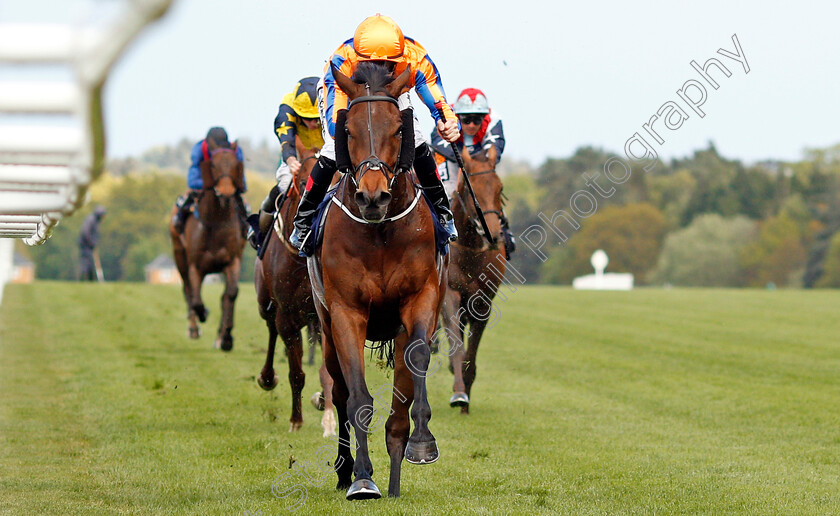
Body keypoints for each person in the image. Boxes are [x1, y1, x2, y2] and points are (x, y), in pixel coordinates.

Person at [289, 13, 461, 256]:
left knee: (419, 139)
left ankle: (443, 212)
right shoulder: (341, 62)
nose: (380, 68)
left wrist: (449, 123)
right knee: (333, 145)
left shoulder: (416, 59)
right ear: (359, 59)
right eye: (373, 64)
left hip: (392, 89)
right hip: (350, 89)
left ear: (399, 59)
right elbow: (335, 119)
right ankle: (304, 220)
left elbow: (438, 100)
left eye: (387, 64)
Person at [430, 88, 516, 258]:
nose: (471, 125)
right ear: (458, 116)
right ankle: (436, 230)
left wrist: (474, 163)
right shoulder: (446, 116)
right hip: (450, 158)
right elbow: (438, 142)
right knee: (446, 191)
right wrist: (464, 157)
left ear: (484, 117)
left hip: (478, 160)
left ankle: (503, 228)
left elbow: (495, 149)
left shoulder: (494, 119)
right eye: (466, 119)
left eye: (476, 120)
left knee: (488, 188)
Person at [247, 77, 324, 251]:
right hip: (297, 155)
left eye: (317, 117)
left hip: (327, 152)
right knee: (283, 184)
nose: (314, 123)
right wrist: (290, 160)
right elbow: (286, 138)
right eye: (307, 118)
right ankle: (260, 232)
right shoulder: (287, 107)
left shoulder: (332, 102)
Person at [172, 127, 247, 233]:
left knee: (243, 205)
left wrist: (239, 186)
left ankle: (247, 225)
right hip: (203, 183)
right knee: (185, 199)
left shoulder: (235, 150)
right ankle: (179, 219)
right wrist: (204, 184)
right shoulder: (199, 149)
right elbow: (194, 172)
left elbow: (240, 172)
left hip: (226, 184)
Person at [78, 205, 106, 281]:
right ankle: (83, 279)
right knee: (87, 263)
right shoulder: (91, 220)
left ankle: (91, 281)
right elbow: (85, 233)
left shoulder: (93, 220)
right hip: (86, 245)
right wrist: (91, 243)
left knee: (90, 263)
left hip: (88, 245)